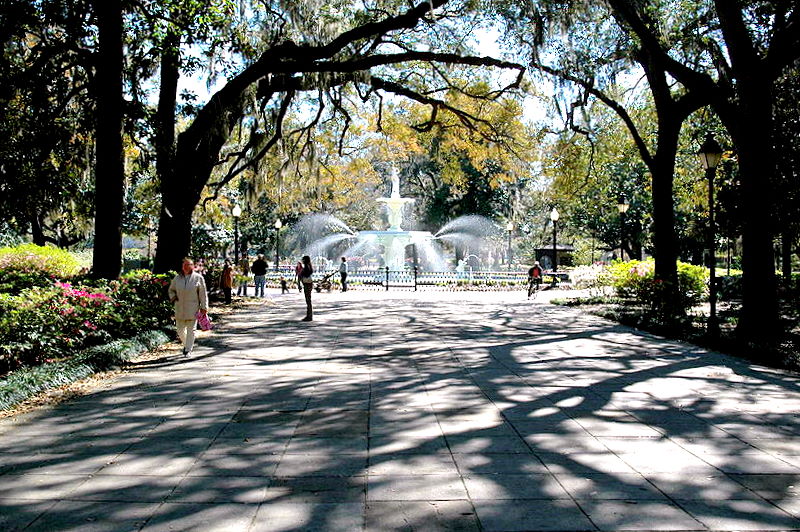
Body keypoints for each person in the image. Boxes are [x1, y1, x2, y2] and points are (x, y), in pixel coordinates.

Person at [168, 257, 209, 356]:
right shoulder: (177, 278)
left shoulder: (198, 278)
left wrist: (204, 307)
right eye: (185, 265)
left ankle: (188, 350)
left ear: (193, 266)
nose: (186, 267)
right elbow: (171, 290)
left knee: (191, 331)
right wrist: (173, 297)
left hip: (193, 309)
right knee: (180, 330)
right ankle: (187, 345)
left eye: (189, 265)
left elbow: (203, 294)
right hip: (179, 308)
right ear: (182, 266)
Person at [300, 255, 314, 321]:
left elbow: (306, 274)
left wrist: (301, 273)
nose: (302, 261)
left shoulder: (306, 267)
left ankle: (309, 316)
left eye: (303, 259)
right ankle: (309, 315)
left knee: (308, 300)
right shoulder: (309, 265)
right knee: (308, 300)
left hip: (307, 284)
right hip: (309, 283)